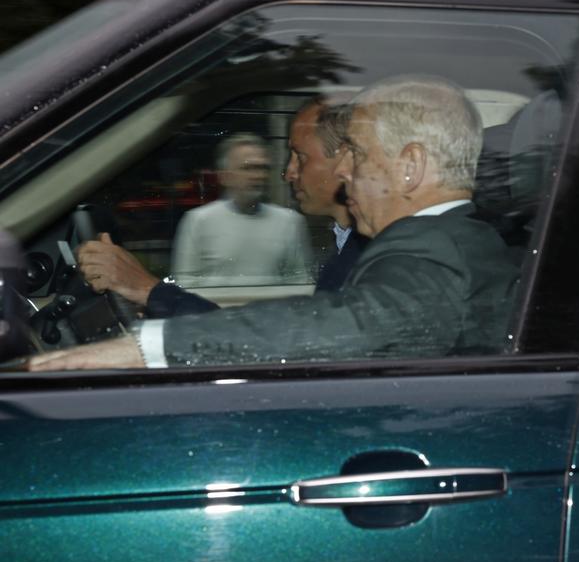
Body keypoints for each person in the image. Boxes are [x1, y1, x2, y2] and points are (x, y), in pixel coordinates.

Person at [29, 75, 520, 370]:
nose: (344, 171)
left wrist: (145, 349)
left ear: (410, 167)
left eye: (358, 154)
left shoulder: (435, 251)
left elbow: (349, 325)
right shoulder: (454, 239)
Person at [75, 102, 366, 318]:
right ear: (224, 175)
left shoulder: (366, 257)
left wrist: (149, 291)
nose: (287, 173)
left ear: (345, 163)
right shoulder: (346, 248)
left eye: (300, 158)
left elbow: (291, 341)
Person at [170, 133, 312, 288]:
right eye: (248, 168)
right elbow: (184, 285)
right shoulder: (198, 221)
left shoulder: (290, 222)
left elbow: (300, 283)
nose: (258, 176)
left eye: (262, 168)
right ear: (224, 177)